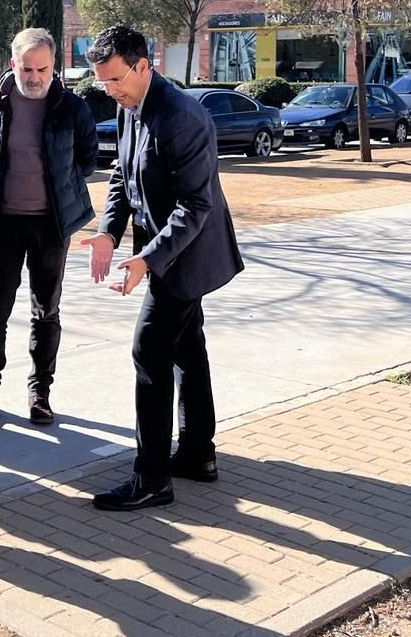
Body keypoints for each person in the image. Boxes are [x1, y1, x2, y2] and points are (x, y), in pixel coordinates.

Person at [78, 25, 244, 513]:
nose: (110, 90)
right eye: (103, 82)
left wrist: (148, 258)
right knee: (187, 348)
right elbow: (122, 175)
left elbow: (196, 205)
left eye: (115, 79)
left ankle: (151, 478)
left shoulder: (183, 117)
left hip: (187, 256)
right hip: (163, 252)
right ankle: (197, 454)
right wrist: (108, 232)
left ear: (143, 66)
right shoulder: (129, 104)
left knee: (149, 349)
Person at [0, 28, 97, 427]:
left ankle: (40, 393)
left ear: (54, 66)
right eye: (27, 69)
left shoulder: (71, 108)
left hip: (51, 226)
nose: (35, 77)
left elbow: (87, 160)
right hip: (4, 223)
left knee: (46, 311)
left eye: (42, 69)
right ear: (13, 64)